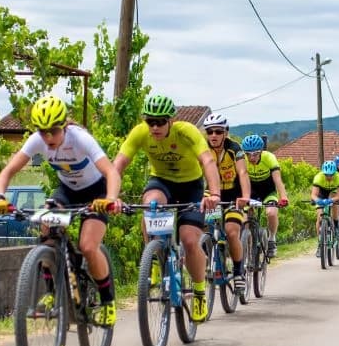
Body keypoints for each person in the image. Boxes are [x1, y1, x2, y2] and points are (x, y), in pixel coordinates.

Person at [0, 95, 122, 325]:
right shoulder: (36, 140)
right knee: (47, 229)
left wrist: (110, 198)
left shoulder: (80, 138)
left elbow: (111, 172)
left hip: (96, 191)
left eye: (53, 131)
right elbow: (7, 171)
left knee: (88, 247)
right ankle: (52, 293)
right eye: (42, 131)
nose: (48, 137)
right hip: (67, 191)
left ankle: (108, 301)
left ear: (63, 126)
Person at [112, 93, 224, 323]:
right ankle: (154, 257)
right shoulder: (140, 132)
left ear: (170, 120)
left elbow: (208, 162)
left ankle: (200, 292)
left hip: (191, 186)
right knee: (151, 205)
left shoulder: (187, 132)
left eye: (160, 121)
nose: (154, 127)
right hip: (162, 182)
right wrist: (111, 196)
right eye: (149, 121)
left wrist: (214, 194)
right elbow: (119, 164)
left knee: (190, 240)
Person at [199, 112, 252, 297]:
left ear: (225, 133)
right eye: (210, 132)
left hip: (234, 195)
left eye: (218, 132)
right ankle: (206, 256)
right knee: (200, 225)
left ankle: (238, 272)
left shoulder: (234, 148)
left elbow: (243, 173)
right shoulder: (202, 149)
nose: (213, 135)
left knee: (231, 232)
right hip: (211, 192)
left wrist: (245, 196)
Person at [240, 134, 290, 257]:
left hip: (268, 191)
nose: (251, 157)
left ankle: (272, 239)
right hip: (250, 192)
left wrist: (283, 197)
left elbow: (278, 180)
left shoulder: (269, 158)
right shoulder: (242, 160)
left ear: (261, 151)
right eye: (248, 154)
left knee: (271, 213)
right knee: (244, 219)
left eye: (255, 154)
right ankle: (248, 246)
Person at [310, 159, 339, 246]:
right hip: (322, 191)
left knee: (334, 203)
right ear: (323, 172)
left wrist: (331, 200)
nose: (329, 177)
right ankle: (320, 242)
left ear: (335, 172)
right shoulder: (318, 177)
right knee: (319, 216)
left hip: (333, 191)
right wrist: (318, 201)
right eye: (326, 174)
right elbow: (313, 195)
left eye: (331, 174)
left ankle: (336, 223)